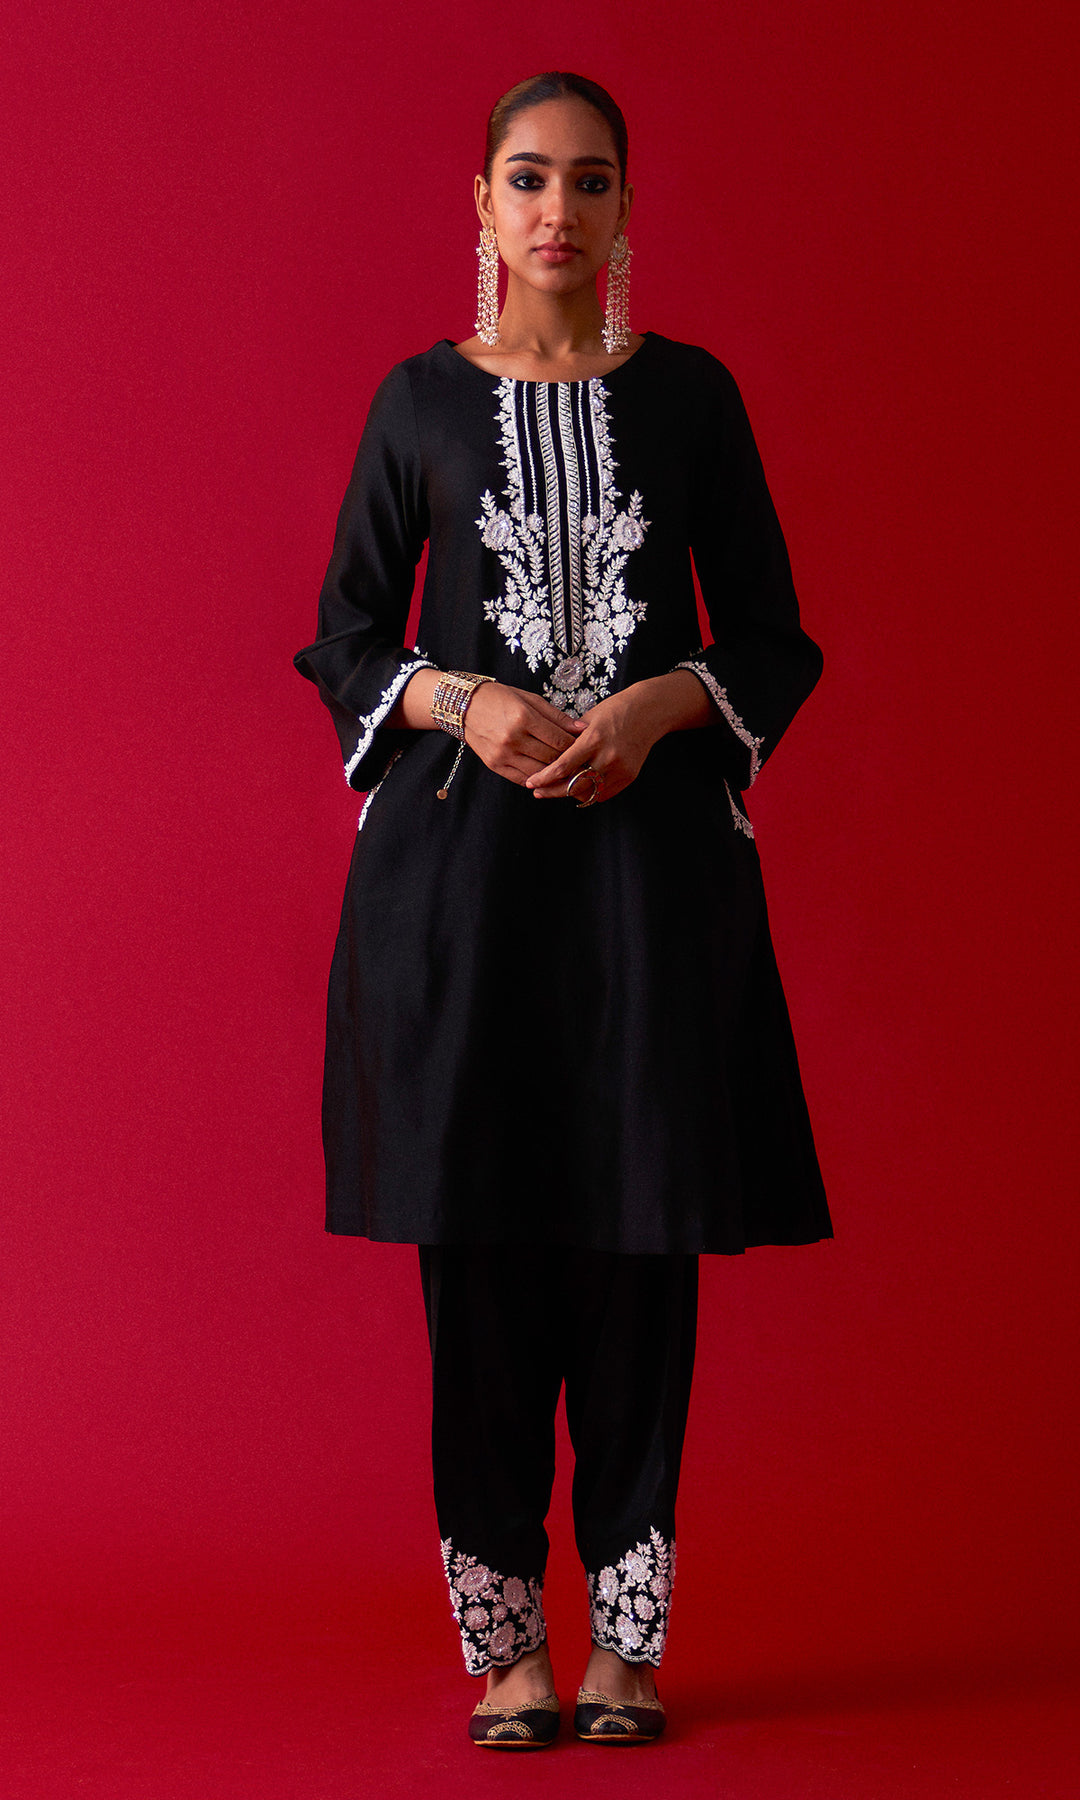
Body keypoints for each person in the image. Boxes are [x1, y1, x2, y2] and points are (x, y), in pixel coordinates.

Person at [294, 70, 832, 1749]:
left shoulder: (691, 399)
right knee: (476, 1256)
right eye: (527, 178)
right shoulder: (417, 403)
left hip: (646, 892)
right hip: (459, 897)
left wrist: (666, 703)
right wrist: (461, 700)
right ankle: (505, 1647)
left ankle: (628, 1644)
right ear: (481, 202)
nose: (557, 210)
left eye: (589, 182)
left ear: (623, 210)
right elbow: (343, 637)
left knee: (641, 1247)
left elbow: (774, 638)